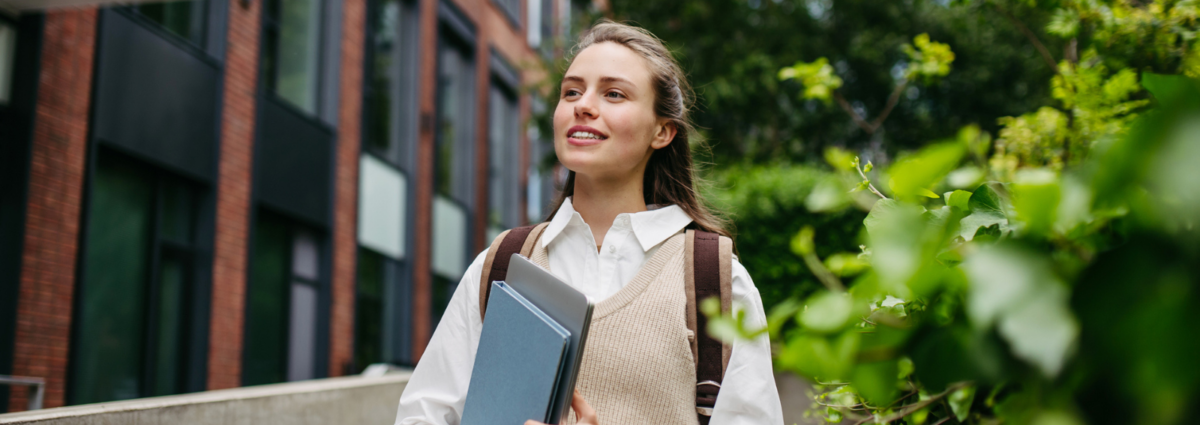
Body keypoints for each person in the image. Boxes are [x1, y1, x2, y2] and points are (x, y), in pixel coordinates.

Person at [395, 20, 783, 425]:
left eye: (614, 94)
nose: (583, 105)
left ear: (662, 131)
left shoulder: (714, 279)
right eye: (572, 92)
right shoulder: (501, 266)